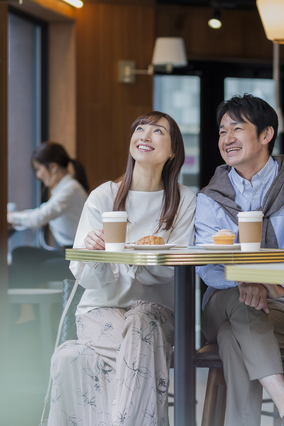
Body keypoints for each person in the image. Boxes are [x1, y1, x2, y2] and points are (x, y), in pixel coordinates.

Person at [47, 112, 196, 426]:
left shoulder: (184, 200)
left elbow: (178, 267)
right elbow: (85, 277)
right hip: (99, 308)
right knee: (87, 355)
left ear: (173, 152)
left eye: (157, 131)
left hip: (157, 313)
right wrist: (93, 255)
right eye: (139, 129)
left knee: (140, 321)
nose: (144, 135)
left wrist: (143, 257)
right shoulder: (103, 196)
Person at [195, 94, 284, 426]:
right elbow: (207, 265)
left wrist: (271, 284)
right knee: (242, 303)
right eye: (222, 131)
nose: (226, 139)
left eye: (237, 129)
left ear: (266, 134)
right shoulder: (211, 196)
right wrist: (248, 281)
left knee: (233, 334)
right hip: (222, 301)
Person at [7, 142, 89, 292]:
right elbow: (40, 213)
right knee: (20, 254)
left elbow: (40, 216)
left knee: (29, 267)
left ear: (52, 167)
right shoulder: (62, 189)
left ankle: (27, 313)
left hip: (77, 258)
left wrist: (10, 217)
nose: (38, 175)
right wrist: (14, 217)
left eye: (38, 169)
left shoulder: (70, 189)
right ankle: (27, 312)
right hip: (65, 253)